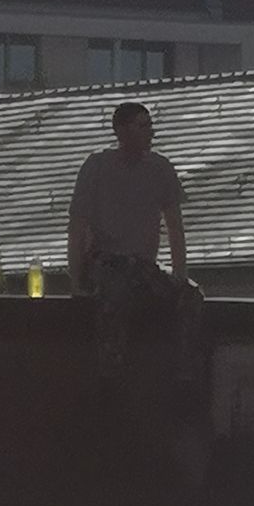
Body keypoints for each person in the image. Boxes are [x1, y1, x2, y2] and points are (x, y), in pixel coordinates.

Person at [67, 101, 203, 385]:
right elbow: (77, 227)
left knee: (190, 296)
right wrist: (76, 280)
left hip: (142, 267)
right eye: (142, 126)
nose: (150, 133)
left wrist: (180, 275)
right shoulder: (97, 167)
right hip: (106, 262)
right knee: (115, 294)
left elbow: (175, 227)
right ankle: (110, 374)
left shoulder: (160, 169)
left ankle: (185, 371)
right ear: (121, 131)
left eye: (150, 126)